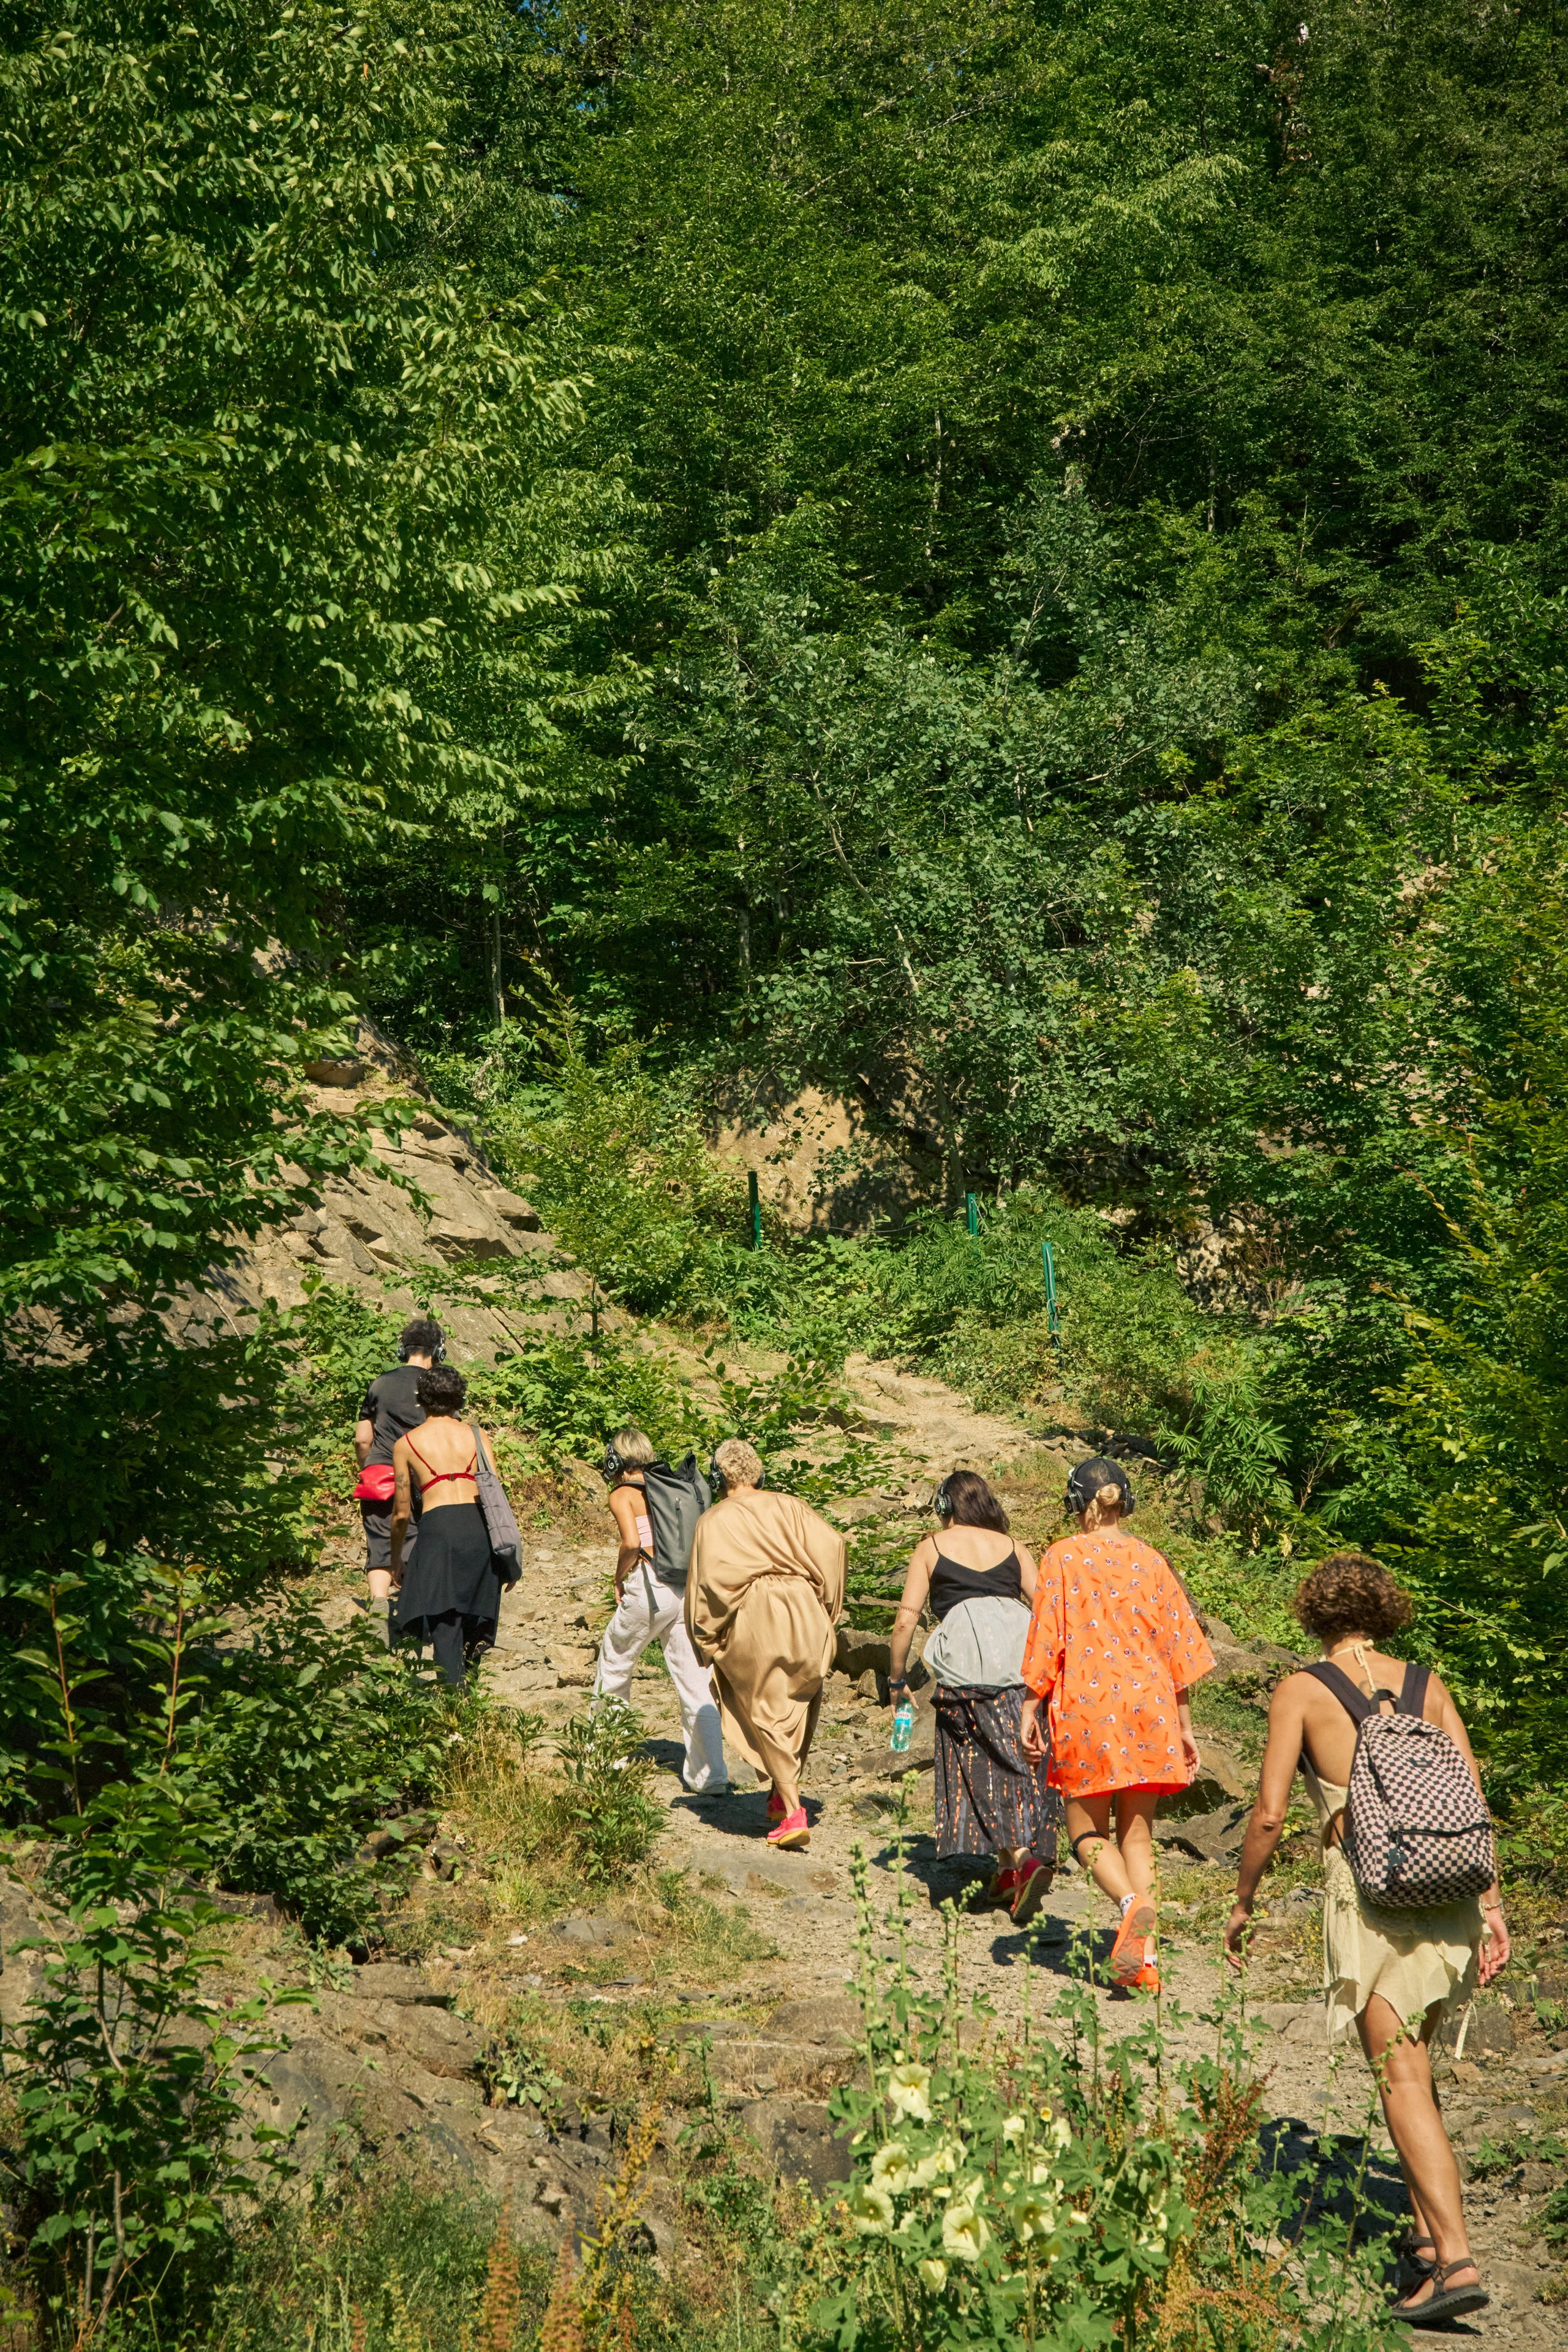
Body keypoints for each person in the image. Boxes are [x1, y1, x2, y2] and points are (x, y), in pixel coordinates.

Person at [1224, 1553, 1508, 2330]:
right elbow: (1473, 1800)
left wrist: (1243, 1901)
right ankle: (1425, 2233)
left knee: (1398, 2076)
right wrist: (1492, 1905)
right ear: (1386, 1610)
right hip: (1449, 1894)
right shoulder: (1428, 1685)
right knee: (1415, 2065)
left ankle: (1455, 2259)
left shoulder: (1302, 1691)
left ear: (1309, 1613)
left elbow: (1272, 1813)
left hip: (1375, 1896)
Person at [1020, 1456, 1213, 1991]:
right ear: (1123, 1502)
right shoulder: (1152, 1561)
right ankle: (1145, 1961)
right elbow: (1181, 1653)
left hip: (1088, 1709)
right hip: (1150, 1710)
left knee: (1084, 1831)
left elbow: (1045, 1641)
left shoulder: (1062, 1558)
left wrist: (1028, 1708)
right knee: (1139, 1838)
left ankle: (1129, 1906)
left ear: (1079, 1507)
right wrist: (1185, 1726)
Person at [888, 1469, 1061, 1926]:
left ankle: (1022, 1860)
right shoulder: (1014, 1547)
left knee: (974, 1764)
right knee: (1019, 1757)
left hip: (966, 1664)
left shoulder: (932, 1546)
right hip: (1018, 1660)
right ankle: (1010, 1869)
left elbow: (907, 1618)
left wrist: (895, 1680)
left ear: (945, 1507)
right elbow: (1047, 1609)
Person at [685, 1439, 845, 1851]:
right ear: (758, 1473)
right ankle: (779, 1790)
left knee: (765, 1709)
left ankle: (793, 1812)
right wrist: (825, 1609)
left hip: (760, 1612)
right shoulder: (792, 1506)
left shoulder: (714, 1520)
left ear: (718, 1477)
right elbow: (834, 1546)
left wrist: (706, 1638)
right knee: (797, 1699)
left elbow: (709, 1585)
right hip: (806, 1607)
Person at [592, 1425, 728, 1793]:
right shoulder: (667, 1487)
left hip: (649, 1587)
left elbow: (633, 1542)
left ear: (615, 1460)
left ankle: (607, 1757)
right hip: (685, 1589)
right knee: (695, 1680)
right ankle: (711, 1775)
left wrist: (617, 1577)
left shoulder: (623, 1493)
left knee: (615, 1662)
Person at [388, 1363, 510, 1686]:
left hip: (438, 1528)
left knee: (445, 1620)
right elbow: (494, 1493)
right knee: (475, 1615)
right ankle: (470, 1697)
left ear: (422, 1399)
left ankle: (451, 1703)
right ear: (460, 1398)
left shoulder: (406, 1444)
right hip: (478, 1527)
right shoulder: (478, 1435)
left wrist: (396, 1559)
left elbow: (401, 1513)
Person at [353, 1317, 442, 1646]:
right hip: (425, 1476)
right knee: (419, 1540)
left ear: (403, 1348)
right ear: (439, 1350)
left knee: (379, 1543)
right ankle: (414, 1616)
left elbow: (364, 1439)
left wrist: (370, 1467)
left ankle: (378, 1610)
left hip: (381, 1474)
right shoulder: (438, 1385)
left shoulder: (380, 1383)